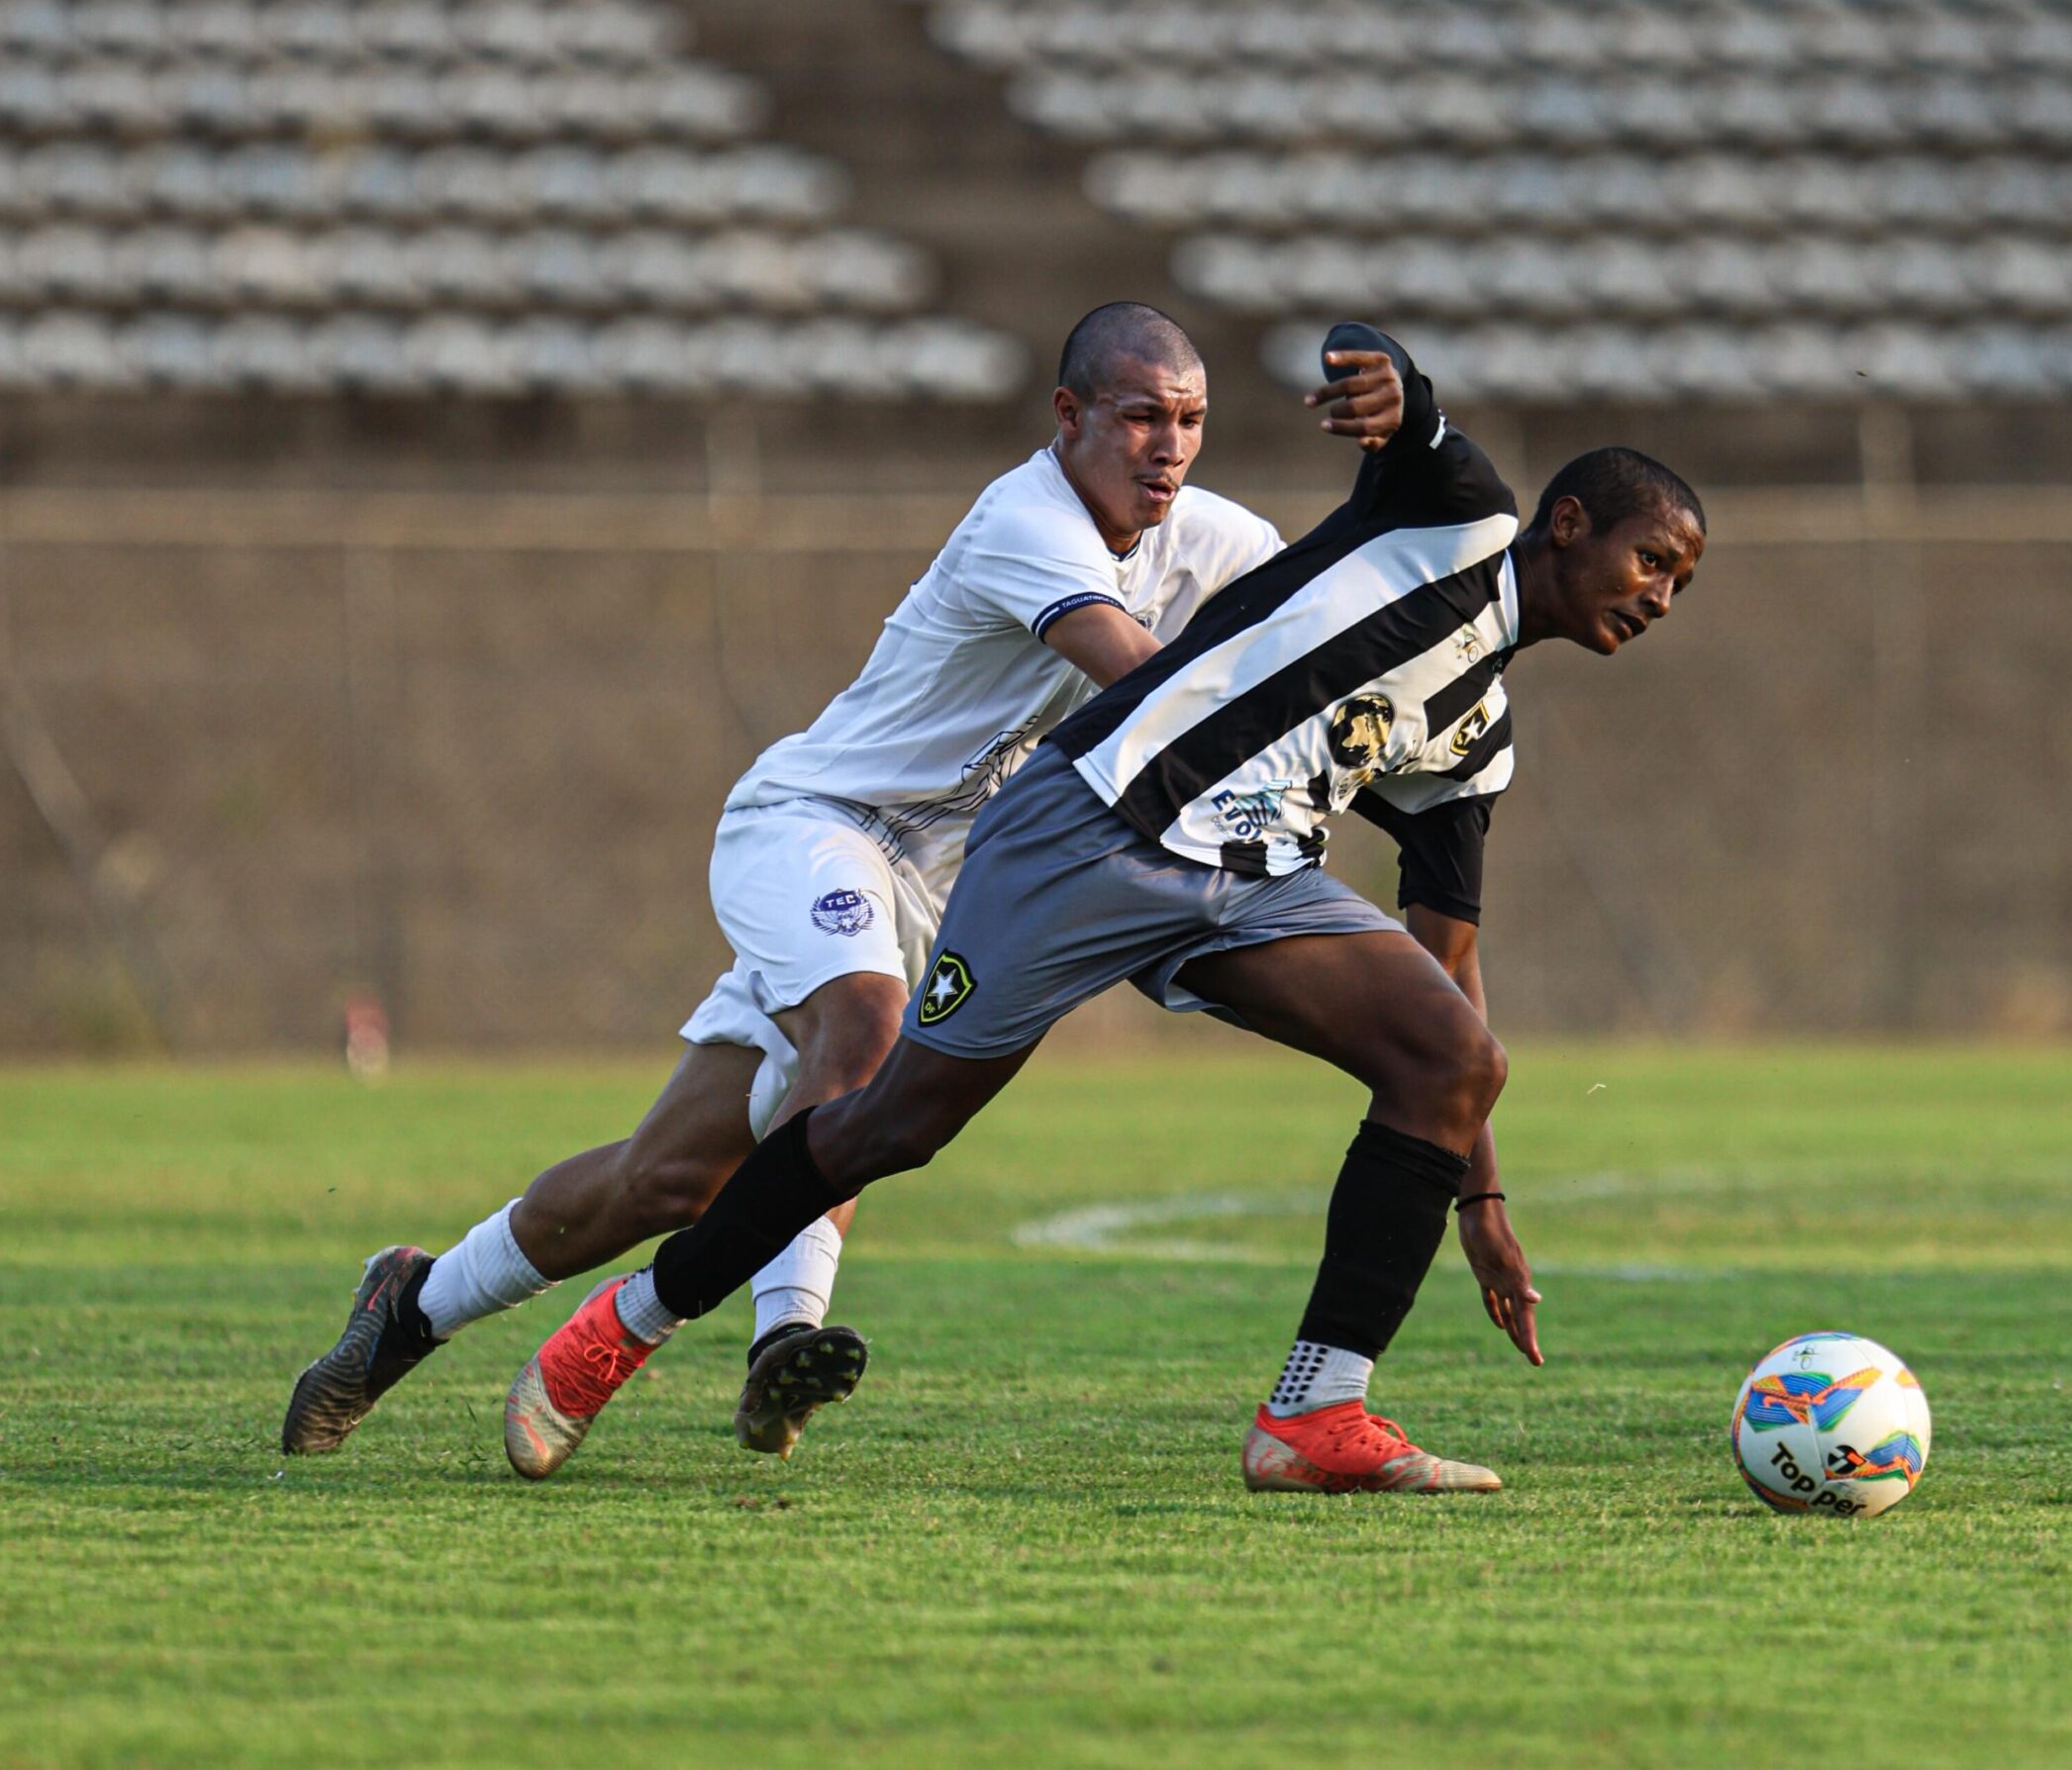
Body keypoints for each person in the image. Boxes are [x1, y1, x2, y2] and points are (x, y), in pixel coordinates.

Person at [502, 322, 1707, 1493]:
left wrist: (1478, 1195)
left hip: (1250, 882)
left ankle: (1312, 1411)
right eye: (1651, 561)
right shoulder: (1456, 513)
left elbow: (1447, 968)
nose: (1659, 598)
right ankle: (626, 1322)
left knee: (1451, 1054)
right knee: (892, 1124)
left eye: (1680, 582)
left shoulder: (1474, 738)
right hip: (1091, 823)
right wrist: (1384, 378)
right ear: (1566, 524)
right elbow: (1402, 397)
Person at [281, 303, 1301, 1465]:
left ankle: (406, 1305)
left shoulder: (1208, 535)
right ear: (1068, 418)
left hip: (923, 889)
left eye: (1190, 420)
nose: (1167, 445)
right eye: (1138, 417)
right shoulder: (1030, 517)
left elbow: (1324, 608)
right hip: (816, 825)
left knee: (660, 1176)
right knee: (863, 1033)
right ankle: (786, 1337)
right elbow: (1140, 685)